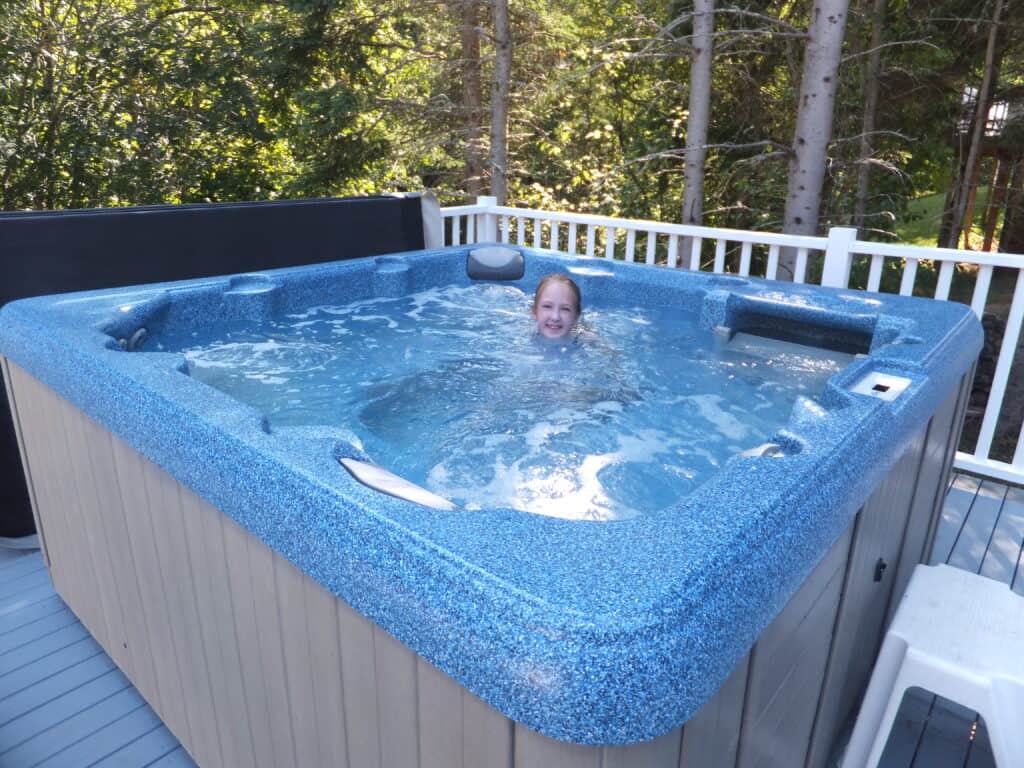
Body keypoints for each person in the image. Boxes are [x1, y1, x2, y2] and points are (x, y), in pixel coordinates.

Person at [531, 274, 583, 340]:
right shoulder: (522, 337)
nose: (555, 317)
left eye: (565, 309)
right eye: (547, 306)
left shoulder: (588, 342)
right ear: (534, 312)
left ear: (576, 317)